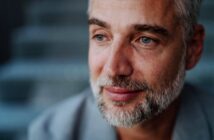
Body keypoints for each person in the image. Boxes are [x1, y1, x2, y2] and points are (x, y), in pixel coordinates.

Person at [29, 0, 214, 140]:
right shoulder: (49, 133)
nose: (113, 69)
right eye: (101, 36)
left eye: (145, 40)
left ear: (192, 48)